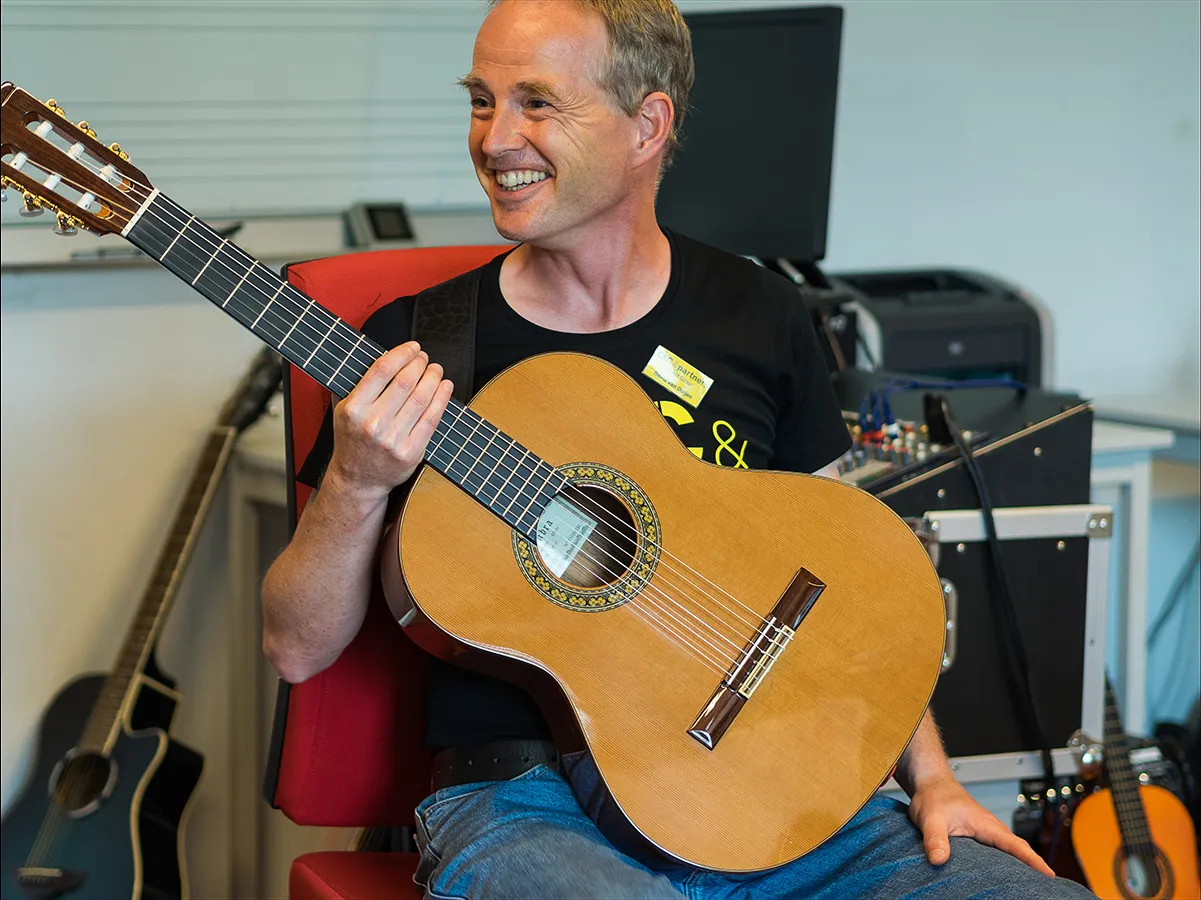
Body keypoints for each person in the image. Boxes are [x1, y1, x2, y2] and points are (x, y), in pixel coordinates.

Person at [262, 1, 1097, 897]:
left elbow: (841, 583)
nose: (496, 138)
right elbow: (295, 648)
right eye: (481, 100)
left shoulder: (762, 316)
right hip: (526, 805)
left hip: (787, 802)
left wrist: (930, 779)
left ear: (646, 125)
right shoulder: (420, 345)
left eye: (536, 103)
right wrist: (355, 481)